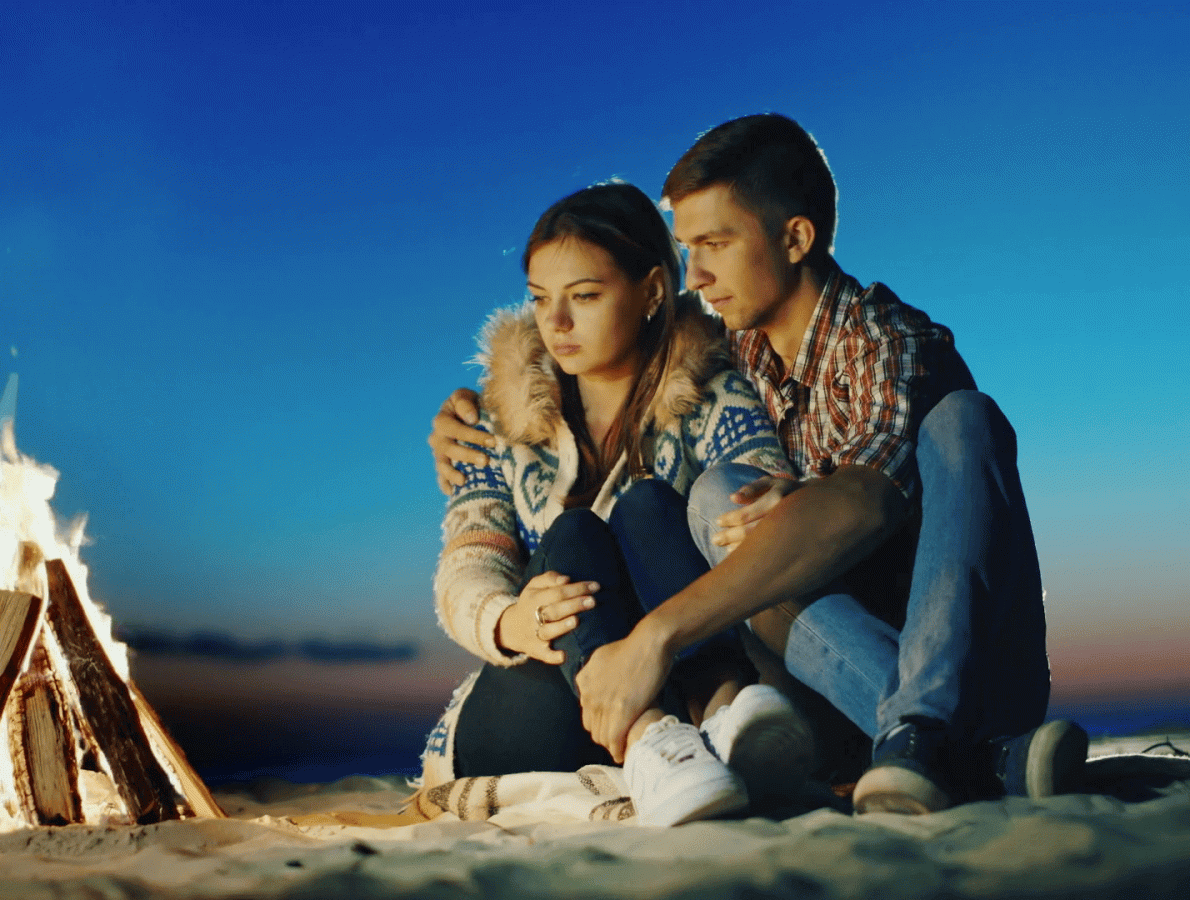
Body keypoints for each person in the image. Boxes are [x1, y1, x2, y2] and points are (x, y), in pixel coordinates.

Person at [430, 114, 1087, 815]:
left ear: (795, 238)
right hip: (792, 687)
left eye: (714, 244)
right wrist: (472, 414)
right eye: (688, 248)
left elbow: (868, 497)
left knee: (961, 419)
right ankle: (953, 753)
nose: (697, 275)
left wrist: (662, 632)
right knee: (680, 508)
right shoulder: (733, 352)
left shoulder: (884, 344)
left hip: (962, 672)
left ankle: (923, 731)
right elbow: (623, 328)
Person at [424, 181, 816, 826]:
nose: (556, 324)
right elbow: (467, 561)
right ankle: (651, 736)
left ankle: (725, 712)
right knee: (575, 531)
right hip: (540, 692)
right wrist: (508, 621)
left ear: (653, 291)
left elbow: (759, 492)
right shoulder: (494, 419)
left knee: (650, 507)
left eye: (584, 297)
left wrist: (779, 499)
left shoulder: (713, 395)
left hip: (673, 666)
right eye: (540, 300)